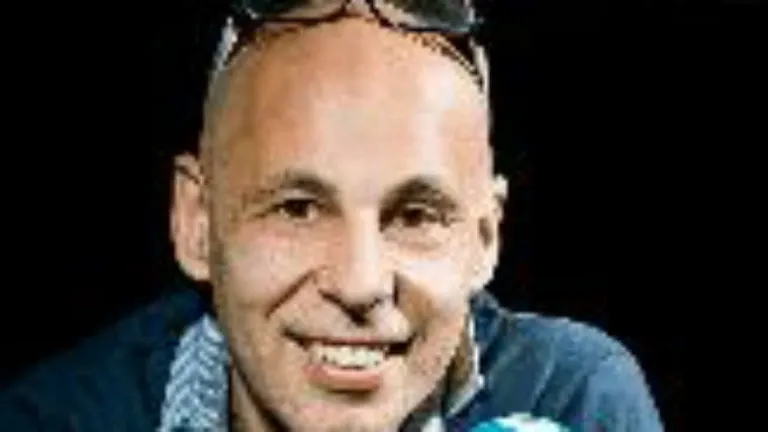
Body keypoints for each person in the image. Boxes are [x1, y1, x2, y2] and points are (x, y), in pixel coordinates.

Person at [1, 0, 664, 430]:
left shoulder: (572, 398)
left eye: (415, 216)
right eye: (298, 208)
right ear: (197, 223)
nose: (359, 283)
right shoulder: (62, 417)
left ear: (485, 238)